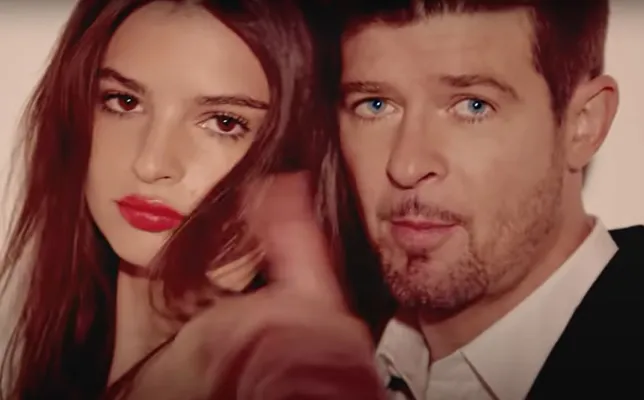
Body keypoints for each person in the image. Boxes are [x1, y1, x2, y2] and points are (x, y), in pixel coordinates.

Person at [0, 1, 385, 398]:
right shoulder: (65, 352)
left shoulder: (260, 362)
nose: (151, 163)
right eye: (124, 102)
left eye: (224, 122)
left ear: (296, 151)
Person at [330, 0, 644, 398]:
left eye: (473, 106)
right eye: (375, 106)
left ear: (583, 124)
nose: (406, 166)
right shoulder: (317, 361)